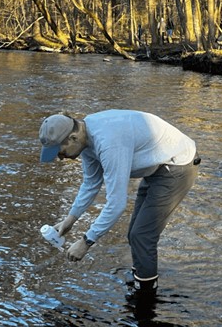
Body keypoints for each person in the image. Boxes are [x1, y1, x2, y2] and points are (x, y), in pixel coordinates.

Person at [39, 110, 200, 297]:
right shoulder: (85, 138)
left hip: (177, 165)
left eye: (60, 151)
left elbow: (116, 204)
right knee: (135, 235)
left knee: (142, 236)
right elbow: (91, 183)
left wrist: (86, 241)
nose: (60, 157)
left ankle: (146, 298)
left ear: (73, 137)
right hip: (156, 166)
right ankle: (142, 280)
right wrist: (70, 219)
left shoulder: (109, 144)